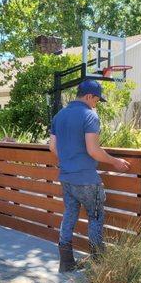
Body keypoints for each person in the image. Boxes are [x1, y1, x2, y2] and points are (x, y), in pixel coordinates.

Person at [49, 80, 130, 272]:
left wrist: (69, 160)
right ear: (88, 96)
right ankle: (98, 264)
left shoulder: (59, 116)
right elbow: (93, 150)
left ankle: (66, 262)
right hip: (86, 179)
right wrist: (115, 162)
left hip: (67, 177)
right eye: (96, 100)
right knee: (95, 216)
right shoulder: (89, 115)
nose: (97, 104)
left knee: (69, 215)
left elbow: (53, 146)